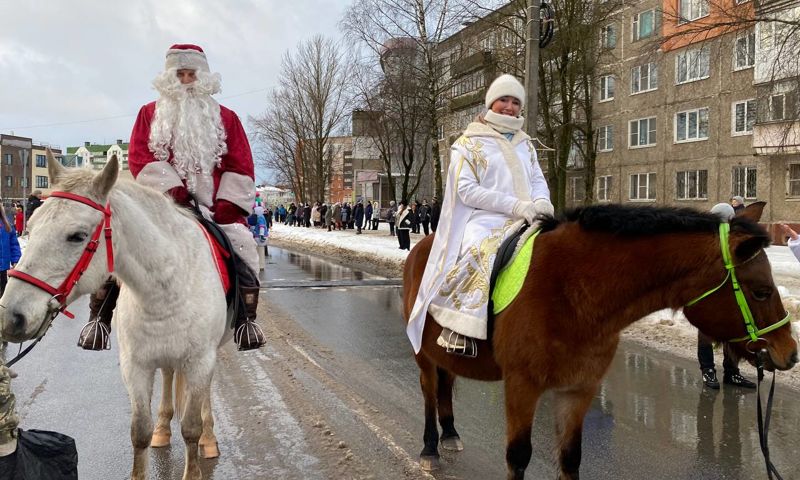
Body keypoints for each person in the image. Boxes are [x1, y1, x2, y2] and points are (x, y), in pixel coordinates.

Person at [77, 44, 265, 352]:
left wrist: (227, 206)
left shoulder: (227, 118)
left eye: (192, 74)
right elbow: (139, 155)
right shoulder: (149, 114)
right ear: (170, 78)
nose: (187, 81)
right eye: (181, 74)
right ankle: (99, 319)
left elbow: (240, 162)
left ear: (203, 78)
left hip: (215, 208)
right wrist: (171, 192)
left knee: (243, 246)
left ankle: (246, 320)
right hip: (160, 206)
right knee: (118, 243)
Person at [407, 73, 553, 356]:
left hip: (529, 216)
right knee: (481, 250)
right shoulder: (468, 142)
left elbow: (537, 179)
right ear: (491, 103)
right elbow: (466, 190)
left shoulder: (526, 144)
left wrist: (543, 202)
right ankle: (458, 328)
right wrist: (514, 206)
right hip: (484, 219)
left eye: (515, 102)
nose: (509, 107)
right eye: (503, 100)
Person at [696, 203, 756, 389]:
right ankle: (710, 371)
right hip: (709, 296)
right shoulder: (704, 240)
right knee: (707, 334)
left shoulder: (734, 238)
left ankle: (730, 373)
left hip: (731, 296)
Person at [0, 204, 21, 378]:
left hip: (2, 268)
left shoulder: (6, 224)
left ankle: (2, 331)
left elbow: (13, 243)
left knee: (2, 302)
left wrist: (16, 259)